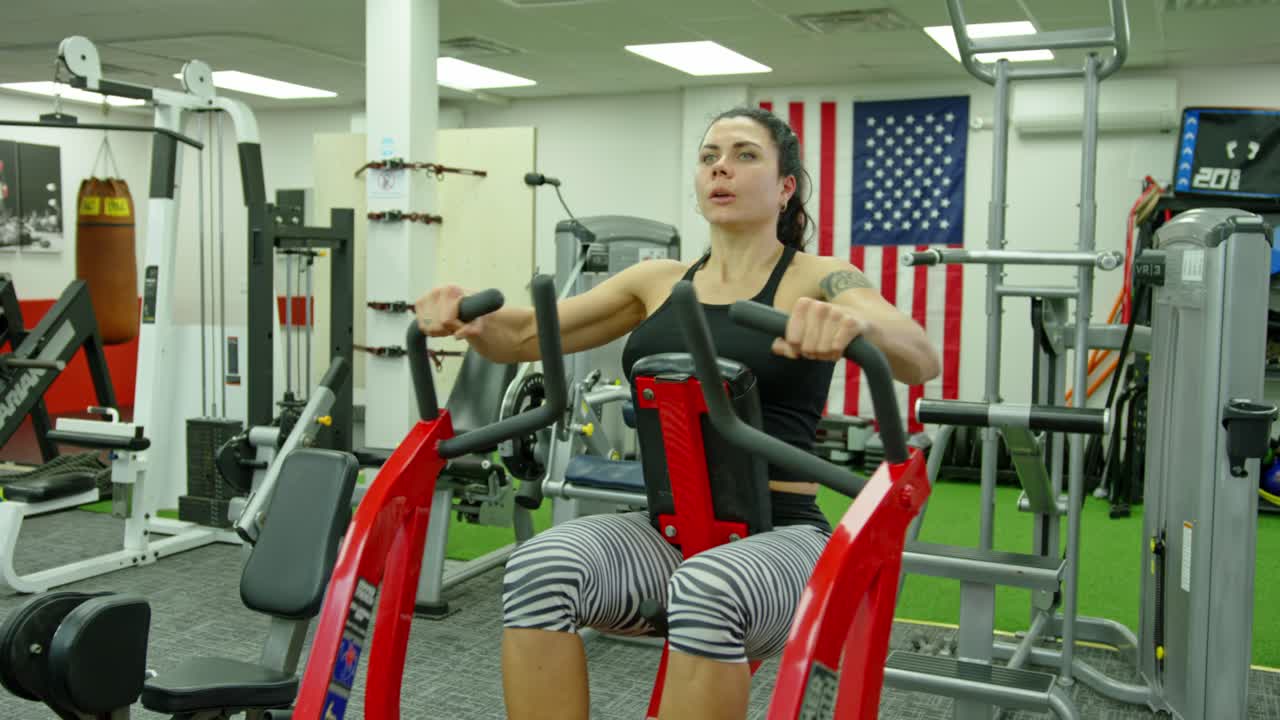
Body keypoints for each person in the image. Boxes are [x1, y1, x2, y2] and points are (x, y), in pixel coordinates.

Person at [415, 106, 941, 720]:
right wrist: (468, 318)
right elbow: (526, 335)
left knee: (709, 587)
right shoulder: (657, 282)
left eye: (745, 155)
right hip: (669, 529)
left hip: (786, 535)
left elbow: (918, 356)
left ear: (785, 186)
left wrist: (853, 324)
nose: (722, 167)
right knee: (540, 565)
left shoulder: (817, 277)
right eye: (709, 156)